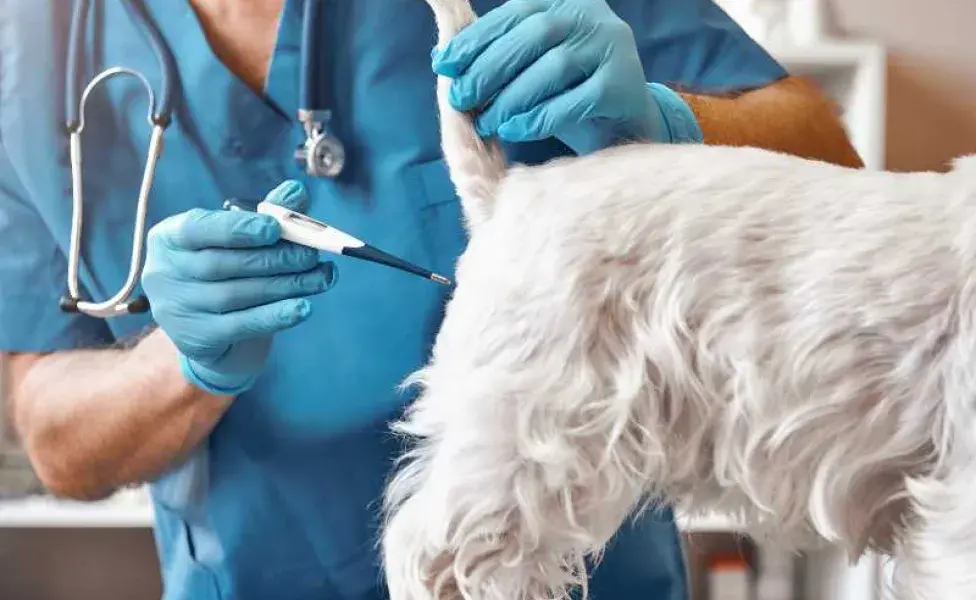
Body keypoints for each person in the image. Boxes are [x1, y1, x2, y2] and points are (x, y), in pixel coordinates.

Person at [0, 1, 862, 599]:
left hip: (579, 577)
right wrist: (180, 361)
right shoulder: (28, 50)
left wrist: (673, 122)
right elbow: (56, 444)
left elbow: (832, 164)